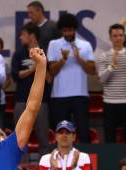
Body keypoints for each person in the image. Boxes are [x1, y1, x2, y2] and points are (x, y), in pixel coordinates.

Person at [47, 13, 95, 143]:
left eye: (70, 30)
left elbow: (92, 70)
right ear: (61, 30)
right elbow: (52, 71)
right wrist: (63, 59)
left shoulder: (85, 45)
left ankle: (85, 161)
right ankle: (60, 162)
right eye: (65, 30)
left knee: (83, 132)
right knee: (61, 133)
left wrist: (79, 58)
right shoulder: (54, 44)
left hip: (80, 94)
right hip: (59, 96)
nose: (68, 33)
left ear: (75, 29)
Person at [96, 23, 126, 143]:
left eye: (121, 35)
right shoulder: (104, 56)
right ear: (110, 38)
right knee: (109, 137)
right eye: (115, 36)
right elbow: (102, 79)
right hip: (110, 102)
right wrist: (112, 65)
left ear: (124, 37)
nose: (118, 38)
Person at [12, 22, 50, 154]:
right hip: (21, 99)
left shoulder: (44, 53)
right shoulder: (19, 53)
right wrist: (34, 68)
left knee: (43, 138)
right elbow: (15, 75)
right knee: (19, 138)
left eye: (23, 34)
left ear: (32, 36)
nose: (20, 37)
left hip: (41, 101)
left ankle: (45, 169)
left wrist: (42, 65)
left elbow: (50, 79)